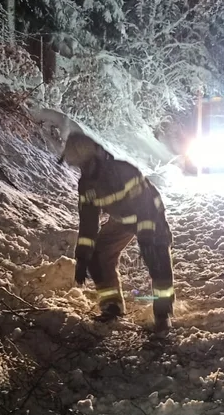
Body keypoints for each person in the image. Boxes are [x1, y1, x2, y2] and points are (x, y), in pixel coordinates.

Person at [59, 133, 175, 336]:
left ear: (94, 158)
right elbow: (88, 222)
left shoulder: (125, 172)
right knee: (98, 255)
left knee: (157, 260)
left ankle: (163, 315)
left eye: (84, 164)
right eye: (79, 166)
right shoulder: (86, 185)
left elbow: (145, 207)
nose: (83, 170)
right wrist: (83, 255)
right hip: (121, 220)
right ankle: (112, 306)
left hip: (150, 216)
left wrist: (147, 238)